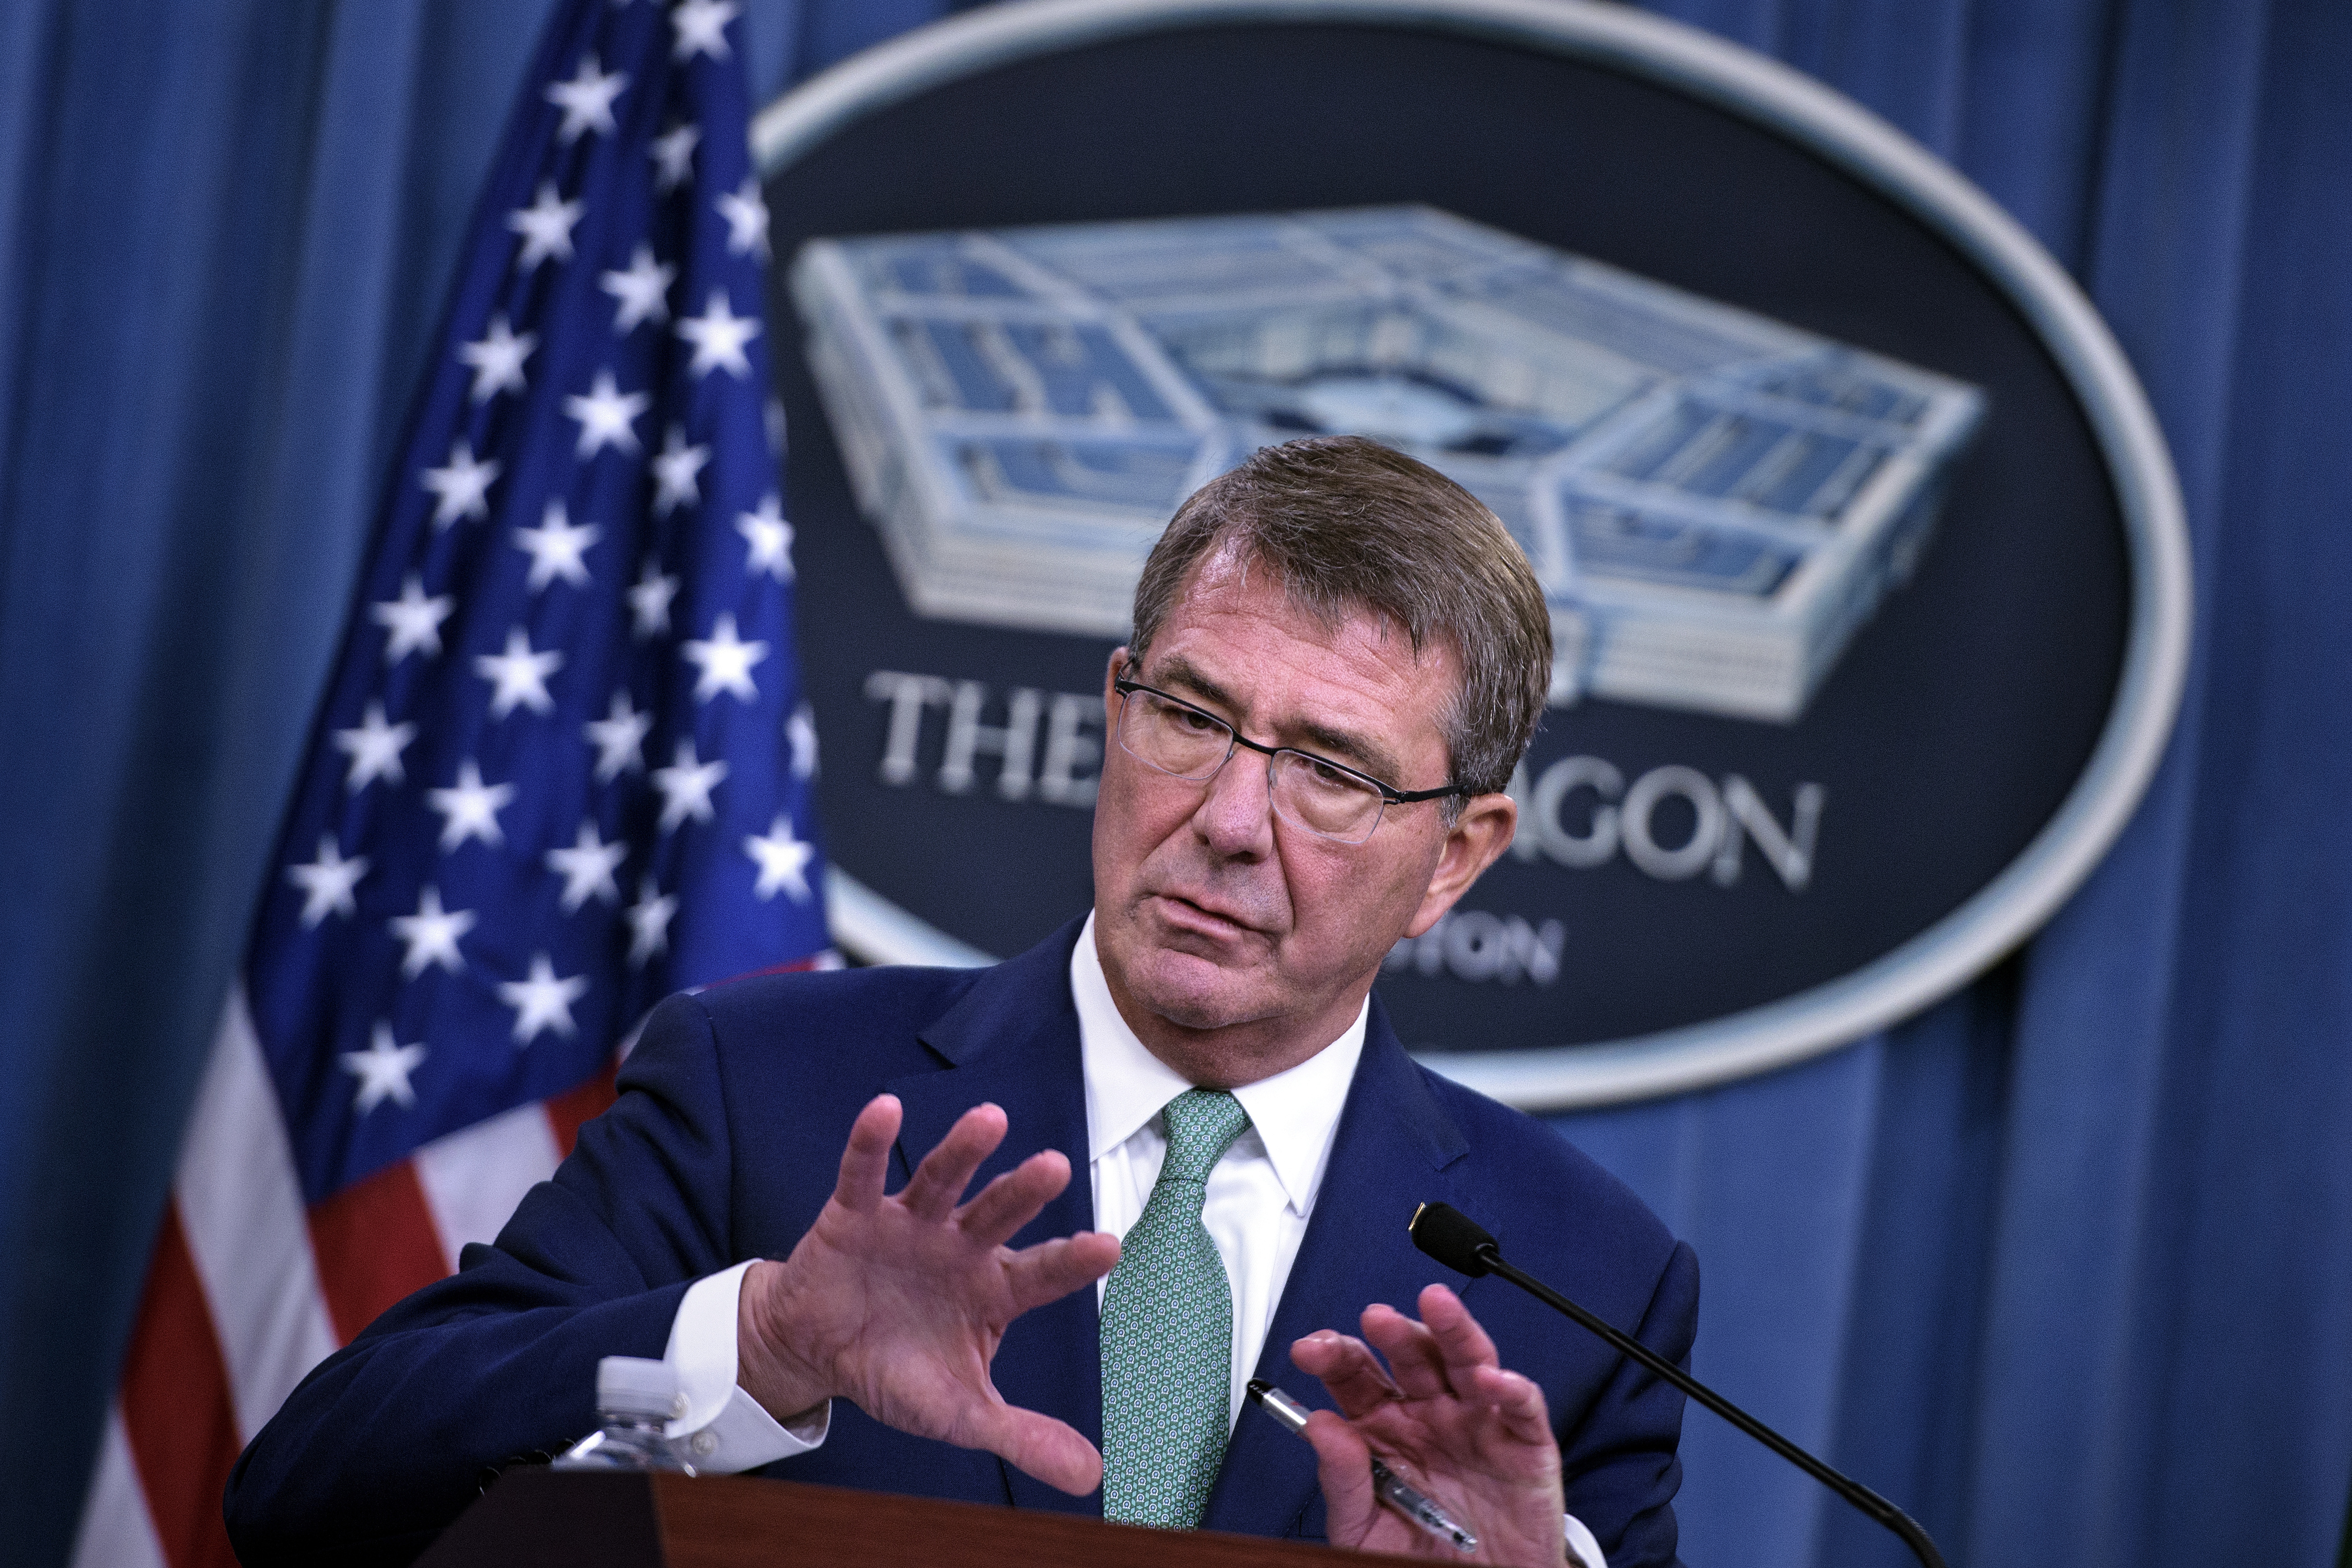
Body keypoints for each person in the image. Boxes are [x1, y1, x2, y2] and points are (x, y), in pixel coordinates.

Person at [226, 435, 1698, 1568]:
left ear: (1456, 853)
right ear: (1118, 708)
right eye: (1192, 718)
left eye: (1331, 771)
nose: (1231, 819)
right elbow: (309, 1499)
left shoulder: (1580, 1284)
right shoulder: (770, 1093)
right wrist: (758, 1347)